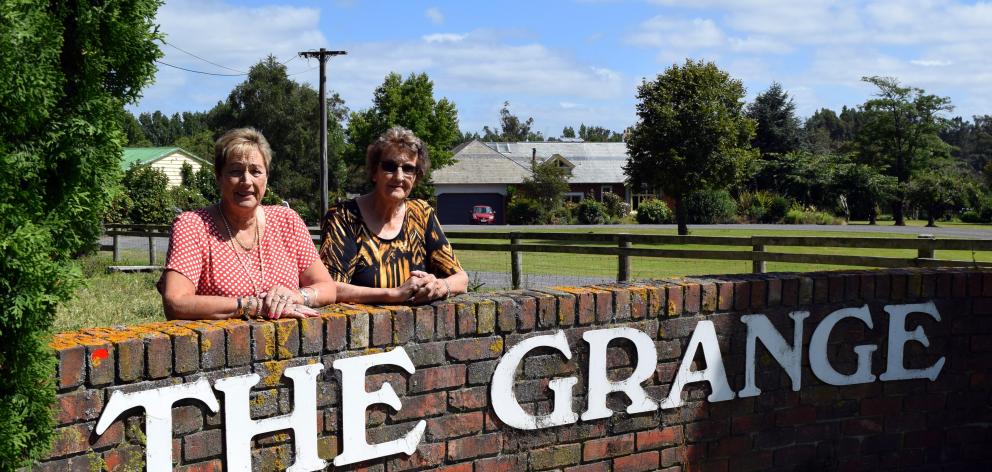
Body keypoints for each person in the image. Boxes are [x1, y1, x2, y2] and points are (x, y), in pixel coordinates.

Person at [158, 128, 336, 320]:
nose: (246, 181)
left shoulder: (287, 221)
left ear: (266, 178)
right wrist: (252, 306)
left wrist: (297, 296)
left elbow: (327, 287)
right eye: (235, 171)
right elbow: (176, 302)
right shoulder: (192, 225)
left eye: (255, 171)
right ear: (219, 176)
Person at [320, 126, 468, 304]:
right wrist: (394, 294)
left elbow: (461, 279)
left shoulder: (422, 213)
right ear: (375, 172)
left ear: (416, 176)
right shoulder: (343, 216)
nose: (399, 177)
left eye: (408, 169)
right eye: (390, 167)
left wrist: (439, 286)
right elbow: (329, 287)